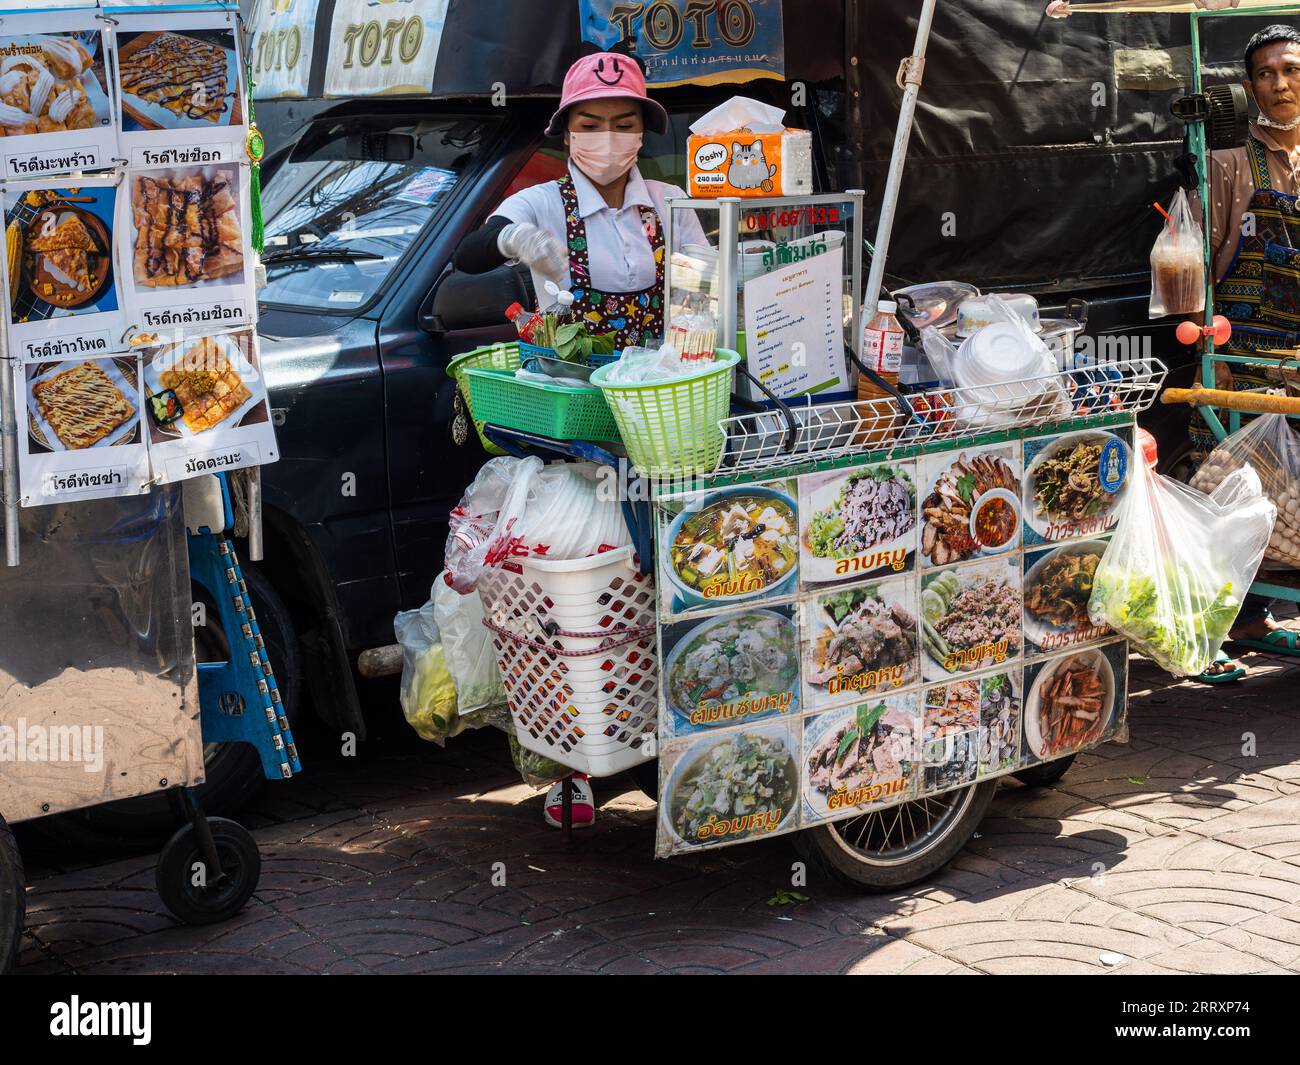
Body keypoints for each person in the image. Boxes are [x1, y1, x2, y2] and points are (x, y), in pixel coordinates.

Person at [455, 50, 707, 826]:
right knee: (579, 603)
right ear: (568, 134)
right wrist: (513, 247)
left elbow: (704, 286)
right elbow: (469, 251)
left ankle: (665, 737)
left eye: (623, 123)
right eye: (591, 124)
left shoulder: (669, 204)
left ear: (642, 133)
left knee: (668, 581)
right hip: (577, 431)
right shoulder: (538, 204)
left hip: (665, 421)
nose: (608, 137)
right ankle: (576, 759)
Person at [1195, 24, 1300, 680]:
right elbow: (1194, 270)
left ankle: (1254, 608)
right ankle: (1211, 620)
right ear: (1249, 87)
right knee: (1245, 492)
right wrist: (1217, 357)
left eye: (1290, 69)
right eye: (1266, 74)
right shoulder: (1230, 167)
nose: (1281, 83)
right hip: (1251, 364)